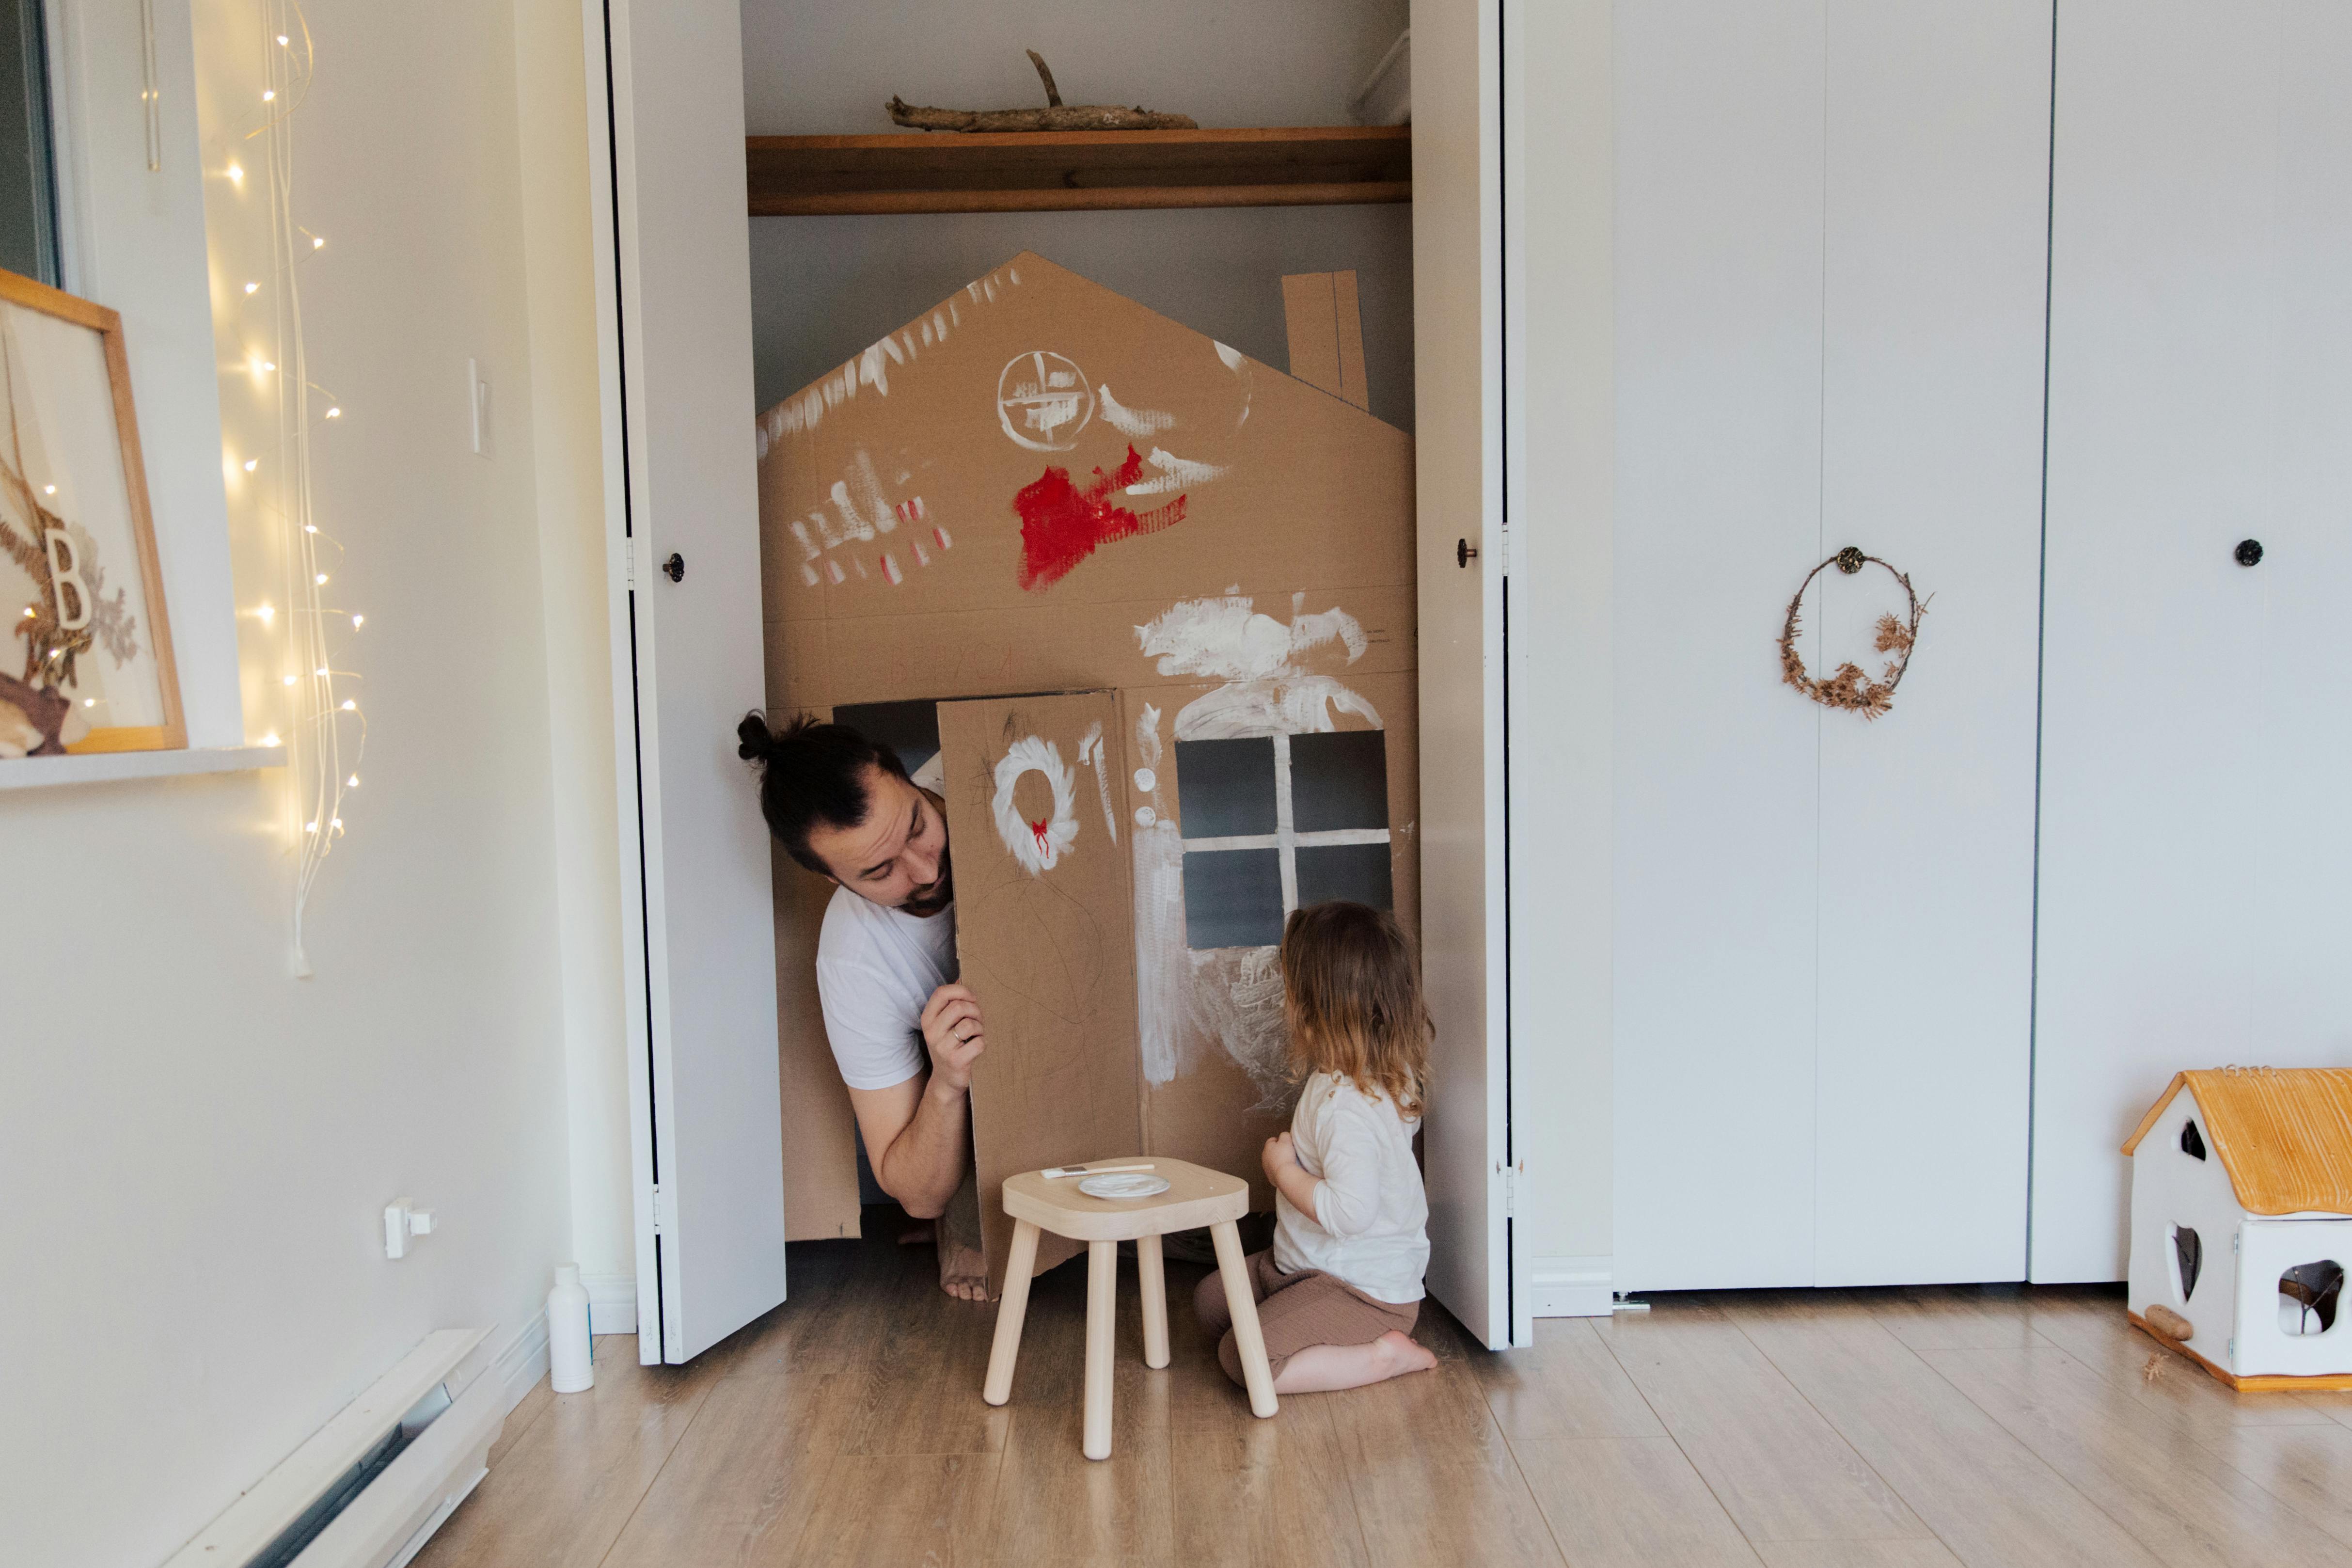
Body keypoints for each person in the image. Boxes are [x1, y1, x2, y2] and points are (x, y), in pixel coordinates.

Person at [737, 713, 991, 1299]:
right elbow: (914, 1191)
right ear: (833, 880)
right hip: (987, 1081)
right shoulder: (854, 961)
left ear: (906, 776)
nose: (925, 870)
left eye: (917, 826)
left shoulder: (986, 773)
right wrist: (948, 1083)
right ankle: (970, 1223)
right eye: (880, 872)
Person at [1195, 900, 1439, 1392]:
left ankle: (1383, 1355)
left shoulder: (1347, 1109)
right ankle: (1301, 1325)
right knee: (1209, 1302)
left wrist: (1281, 1169)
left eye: (1288, 991)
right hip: (1304, 1264)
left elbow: (1350, 1213)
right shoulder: (1362, 1078)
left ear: (1312, 1009)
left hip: (1361, 1292)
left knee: (1245, 1359)